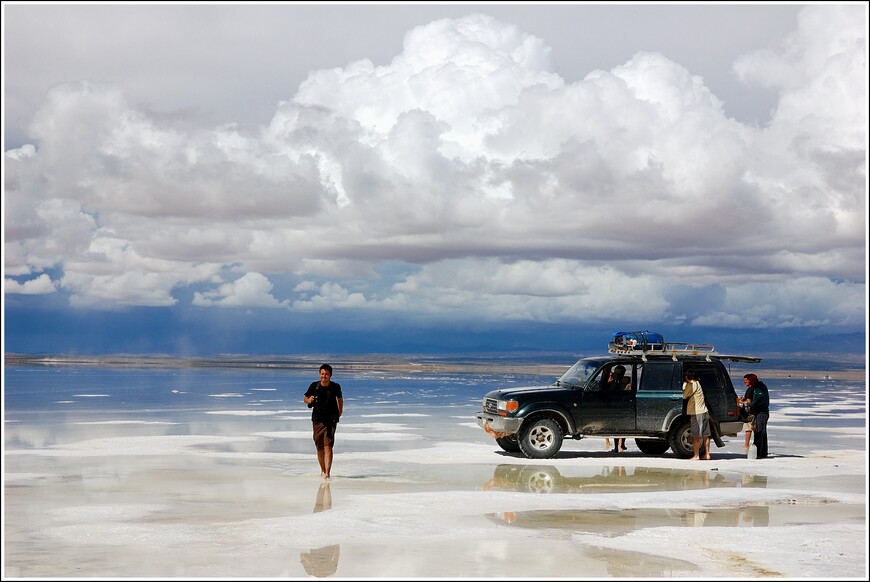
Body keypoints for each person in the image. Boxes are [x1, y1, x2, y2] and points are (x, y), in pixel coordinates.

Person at [303, 364, 344, 479]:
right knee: (319, 446)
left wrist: (340, 412)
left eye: (326, 374)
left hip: (331, 420)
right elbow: (305, 398)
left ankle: (327, 473)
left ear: (330, 375)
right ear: (319, 374)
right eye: (322, 374)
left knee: (328, 446)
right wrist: (309, 400)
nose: (324, 376)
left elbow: (340, 399)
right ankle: (322, 469)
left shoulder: (335, 387)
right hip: (317, 420)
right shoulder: (314, 386)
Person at [682, 368, 710, 460]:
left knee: (696, 436)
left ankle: (696, 455)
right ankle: (707, 454)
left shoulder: (690, 385)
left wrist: (684, 386)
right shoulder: (698, 383)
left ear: (686, 377)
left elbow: (684, 396)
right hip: (705, 411)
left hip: (697, 412)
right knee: (706, 435)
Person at [742, 373, 770, 459]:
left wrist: (751, 405)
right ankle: (763, 452)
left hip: (762, 412)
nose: (745, 383)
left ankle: (758, 452)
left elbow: (760, 398)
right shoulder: (757, 387)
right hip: (761, 412)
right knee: (762, 433)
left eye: (746, 381)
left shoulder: (759, 388)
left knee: (759, 432)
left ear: (751, 380)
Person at [604, 366, 629, 453]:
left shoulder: (624, 383)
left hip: (620, 406)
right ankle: (617, 445)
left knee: (619, 428)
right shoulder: (614, 383)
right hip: (616, 406)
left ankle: (619, 445)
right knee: (618, 428)